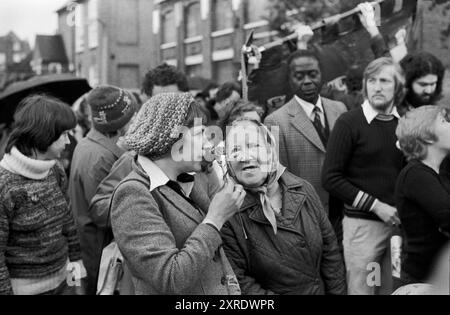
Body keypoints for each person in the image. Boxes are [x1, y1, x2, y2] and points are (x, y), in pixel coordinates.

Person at [110, 93, 245, 295]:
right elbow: (171, 278)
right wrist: (215, 218)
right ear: (173, 139)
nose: (209, 144)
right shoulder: (133, 194)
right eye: (200, 133)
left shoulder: (188, 178)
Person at [221, 118, 346, 295]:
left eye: (253, 146)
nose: (245, 156)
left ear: (270, 151)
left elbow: (330, 252)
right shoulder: (228, 213)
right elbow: (241, 281)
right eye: (235, 150)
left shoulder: (303, 189)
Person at [322, 57, 406, 295]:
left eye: (384, 80)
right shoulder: (350, 122)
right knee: (365, 290)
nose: (377, 87)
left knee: (394, 289)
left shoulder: (405, 124)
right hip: (364, 228)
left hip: (399, 228)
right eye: (372, 80)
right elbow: (330, 178)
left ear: (397, 86)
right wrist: (377, 206)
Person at [0, 95, 85, 295]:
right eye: (63, 134)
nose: (68, 140)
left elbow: (68, 222)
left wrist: (77, 266)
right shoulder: (5, 185)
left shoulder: (55, 169)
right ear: (43, 135)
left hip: (65, 282)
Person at [69, 86, 138, 295]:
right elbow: (104, 214)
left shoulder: (93, 145)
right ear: (119, 123)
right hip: (99, 253)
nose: (136, 120)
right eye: (132, 116)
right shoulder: (101, 158)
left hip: (94, 248)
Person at [265, 49, 347, 216]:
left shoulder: (339, 109)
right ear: (289, 79)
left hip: (346, 210)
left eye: (313, 74)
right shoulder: (275, 121)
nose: (307, 81)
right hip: (308, 213)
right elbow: (279, 179)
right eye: (299, 76)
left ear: (321, 75)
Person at [395, 106, 450, 287]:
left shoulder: (441, 170)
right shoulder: (415, 175)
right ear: (426, 136)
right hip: (424, 282)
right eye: (444, 121)